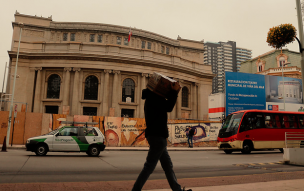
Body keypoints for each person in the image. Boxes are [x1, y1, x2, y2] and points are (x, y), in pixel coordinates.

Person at [132, 82, 192, 191]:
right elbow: (169, 107)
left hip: (155, 136)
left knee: (168, 166)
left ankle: (177, 189)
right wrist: (174, 92)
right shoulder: (155, 98)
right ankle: (135, 189)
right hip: (158, 136)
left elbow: (166, 104)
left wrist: (172, 92)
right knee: (149, 166)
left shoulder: (150, 98)